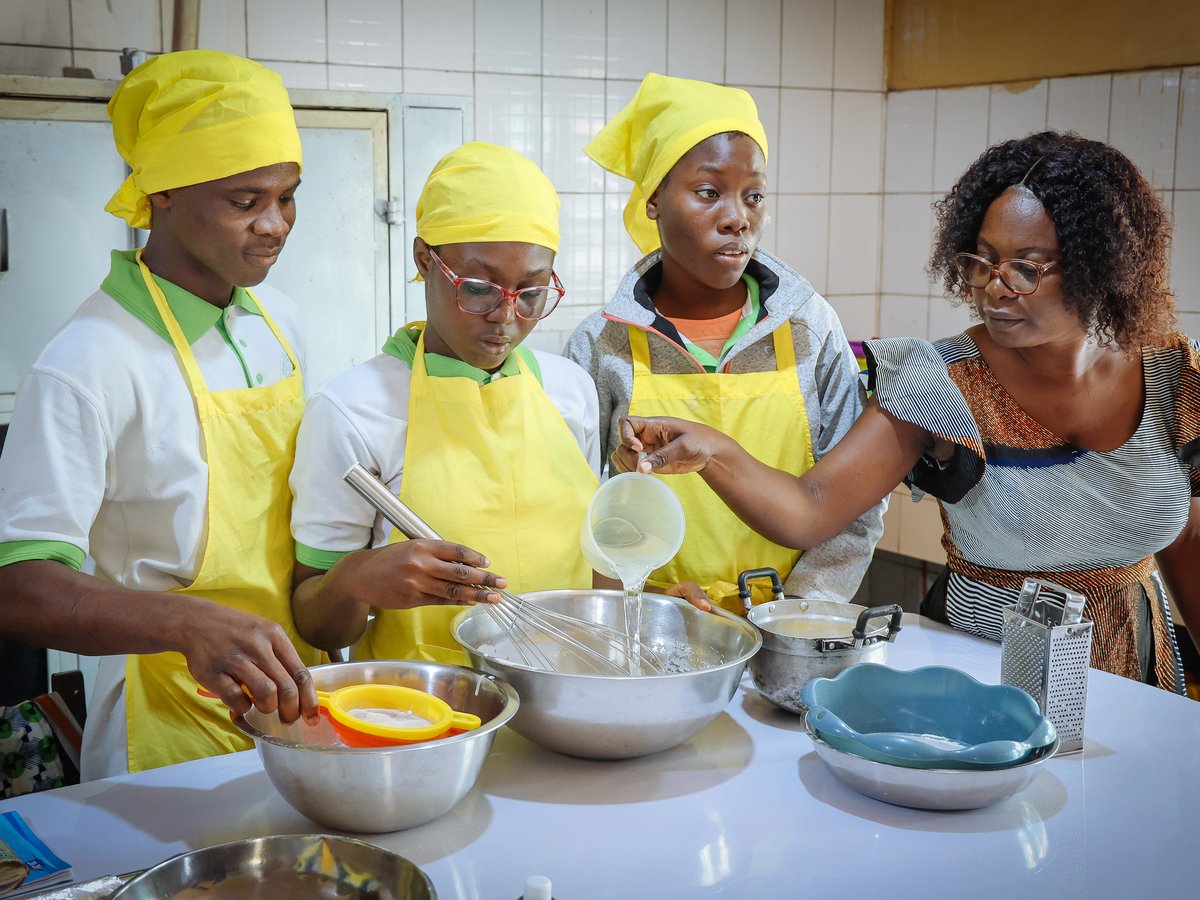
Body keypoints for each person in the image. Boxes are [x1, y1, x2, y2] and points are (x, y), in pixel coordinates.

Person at [616, 131, 1200, 693]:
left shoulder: (1176, 380)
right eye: (984, 260)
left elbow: (1185, 541)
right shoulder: (939, 380)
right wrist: (713, 450)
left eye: (1028, 266)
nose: (995, 287)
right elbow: (810, 510)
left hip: (1139, 673)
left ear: (1101, 265)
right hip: (978, 672)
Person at [0, 49, 322, 778]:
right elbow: (17, 585)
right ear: (163, 195)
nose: (275, 225)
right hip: (165, 726)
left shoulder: (278, 322)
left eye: (288, 195)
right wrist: (184, 621)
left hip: (287, 695)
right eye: (245, 201)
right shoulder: (86, 362)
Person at [564, 73, 884, 614]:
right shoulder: (602, 344)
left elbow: (856, 502)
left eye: (753, 195)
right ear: (654, 200)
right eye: (709, 193)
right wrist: (646, 603)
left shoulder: (808, 328)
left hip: (787, 628)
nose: (738, 218)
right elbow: (576, 511)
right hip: (650, 631)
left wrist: (799, 612)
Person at [288, 141, 612, 664]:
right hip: (426, 712)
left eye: (531, 293)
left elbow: (594, 566)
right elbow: (317, 625)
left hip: (567, 691)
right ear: (425, 259)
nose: (506, 318)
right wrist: (354, 581)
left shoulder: (569, 389)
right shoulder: (353, 409)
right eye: (480, 288)